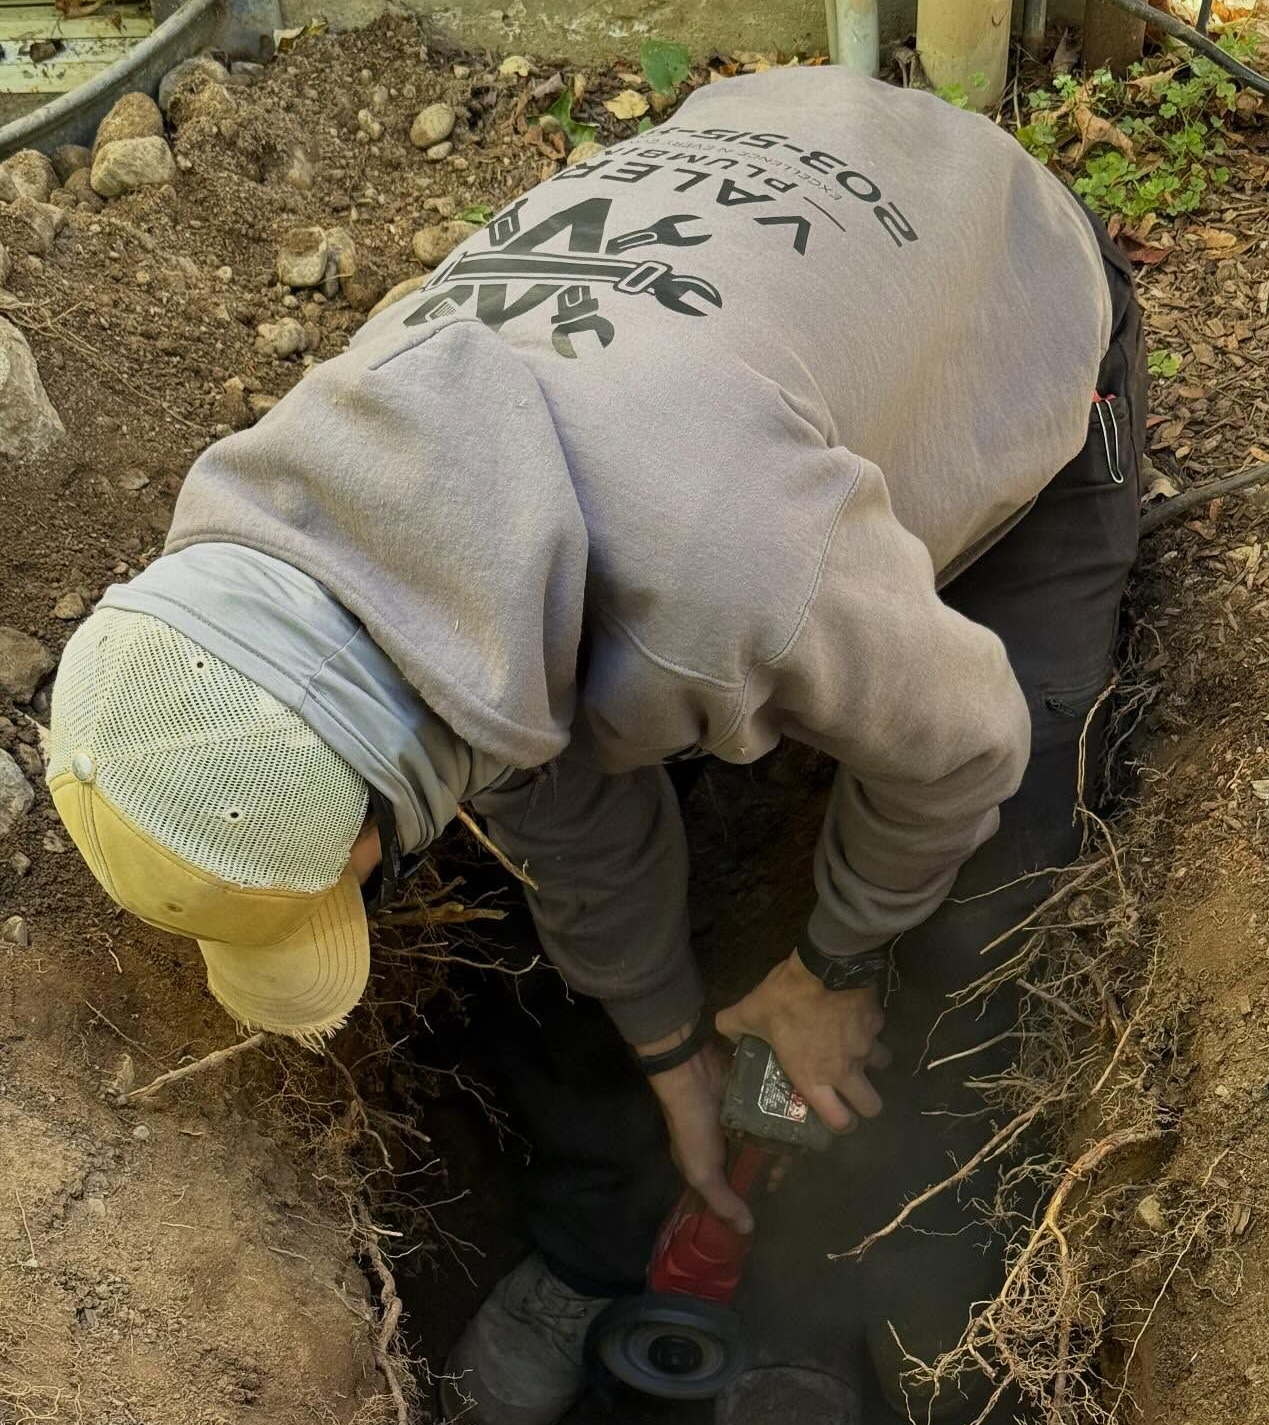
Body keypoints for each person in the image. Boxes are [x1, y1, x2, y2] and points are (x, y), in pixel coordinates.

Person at [44, 63, 1145, 1425]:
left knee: (994, 872)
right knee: (528, 902)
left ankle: (847, 1300)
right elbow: (547, 794)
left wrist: (835, 957)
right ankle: (595, 1242)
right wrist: (674, 1051)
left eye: (356, 878)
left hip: (992, 286)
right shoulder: (300, 541)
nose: (373, 888)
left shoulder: (726, 582)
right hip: (756, 268)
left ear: (375, 808)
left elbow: (963, 739)